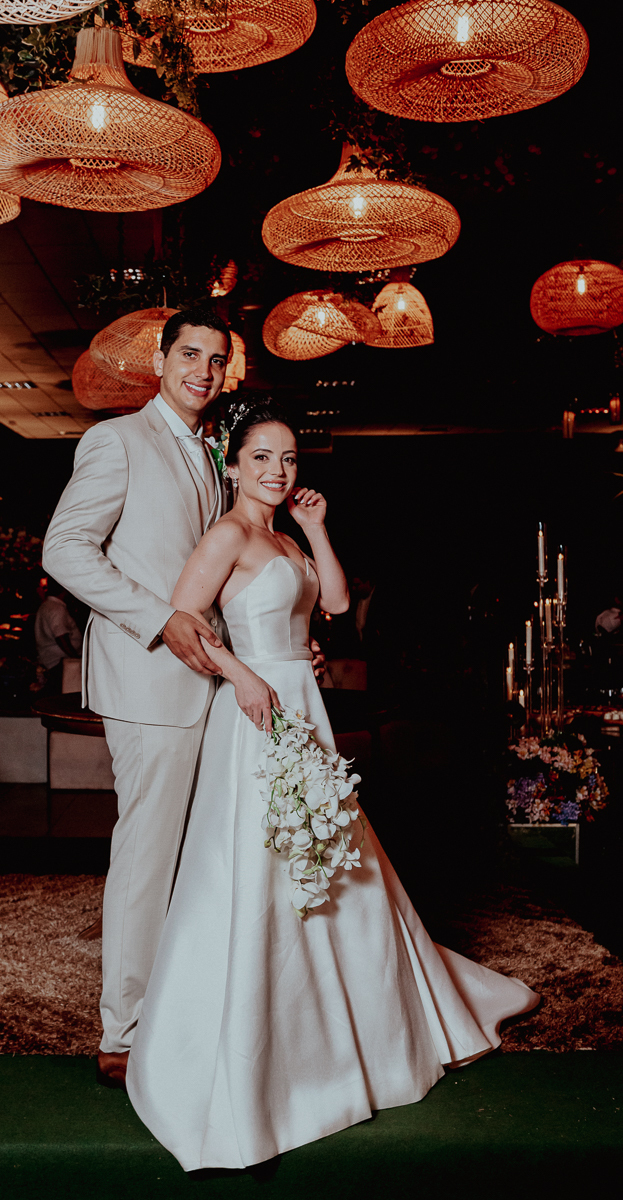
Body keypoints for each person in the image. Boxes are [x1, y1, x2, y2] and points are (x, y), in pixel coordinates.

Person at [126, 399, 539, 1172]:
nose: (277, 471)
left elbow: (338, 605)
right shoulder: (226, 533)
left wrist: (315, 530)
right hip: (256, 709)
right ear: (231, 463)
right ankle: (261, 1041)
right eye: (261, 458)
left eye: (287, 459)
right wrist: (245, 673)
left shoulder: (282, 534)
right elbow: (185, 620)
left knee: (331, 855)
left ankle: (363, 1028)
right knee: (260, 865)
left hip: (301, 703)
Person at [42, 306, 239, 1086]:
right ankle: (122, 1032)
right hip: (149, 679)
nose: (204, 369)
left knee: (204, 853)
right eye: (190, 353)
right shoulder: (117, 439)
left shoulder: (213, 450)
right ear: (160, 360)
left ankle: (187, 999)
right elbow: (64, 549)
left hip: (213, 681)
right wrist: (161, 620)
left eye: (217, 359)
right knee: (147, 856)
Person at [33, 574, 83, 694]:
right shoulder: (56, 608)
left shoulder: (46, 605)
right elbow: (61, 637)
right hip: (60, 662)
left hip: (53, 660)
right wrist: (75, 657)